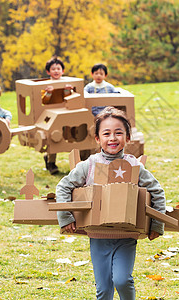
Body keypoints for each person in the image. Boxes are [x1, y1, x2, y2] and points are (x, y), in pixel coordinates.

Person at [56, 107, 165, 300]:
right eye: (106, 133)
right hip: (98, 236)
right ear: (97, 139)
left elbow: (157, 191)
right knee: (104, 289)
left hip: (126, 235)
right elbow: (63, 186)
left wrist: (156, 224)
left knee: (123, 280)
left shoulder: (135, 166)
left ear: (128, 137)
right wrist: (65, 216)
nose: (112, 138)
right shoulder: (88, 165)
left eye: (118, 133)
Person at [42, 57, 73, 174]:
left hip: (65, 114)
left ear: (63, 71)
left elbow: (69, 99)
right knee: (53, 138)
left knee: (66, 136)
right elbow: (44, 101)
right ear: (48, 72)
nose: (56, 71)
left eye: (58, 69)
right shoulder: (46, 85)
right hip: (50, 115)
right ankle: (51, 162)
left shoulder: (66, 83)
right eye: (53, 69)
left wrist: (67, 91)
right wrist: (48, 93)